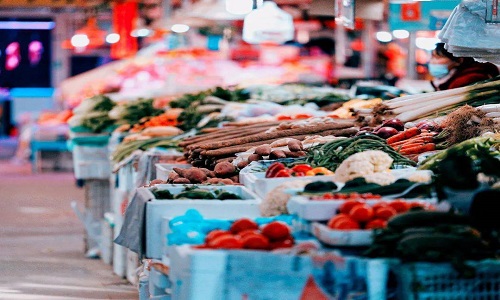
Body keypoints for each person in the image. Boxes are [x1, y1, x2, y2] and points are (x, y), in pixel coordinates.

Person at [429, 43, 499, 90]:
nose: (433, 61)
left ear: (459, 60)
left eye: (438, 57)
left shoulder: (467, 80)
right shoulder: (453, 78)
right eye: (432, 57)